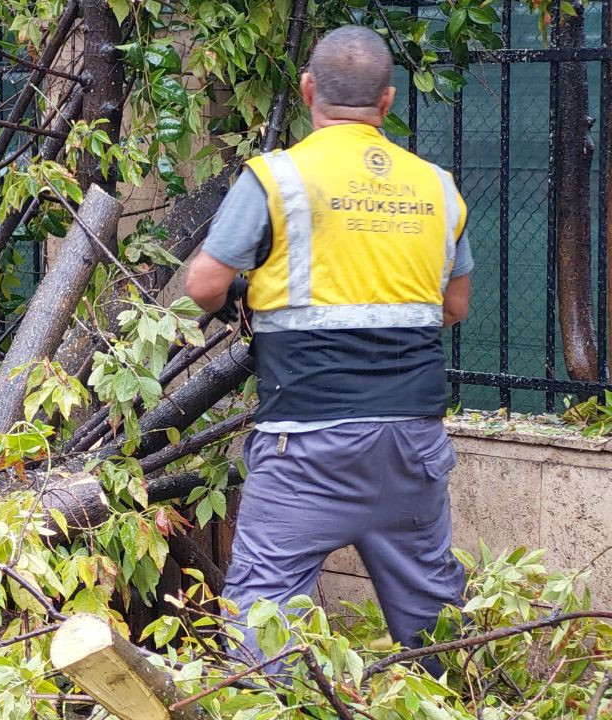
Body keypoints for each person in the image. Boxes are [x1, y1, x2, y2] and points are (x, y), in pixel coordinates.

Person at [183, 25, 472, 668]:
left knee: (262, 629)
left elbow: (203, 285)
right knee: (436, 628)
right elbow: (454, 307)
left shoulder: (277, 177)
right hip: (412, 445)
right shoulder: (437, 186)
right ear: (388, 101)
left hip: (305, 443)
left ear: (308, 88)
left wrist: (247, 299)